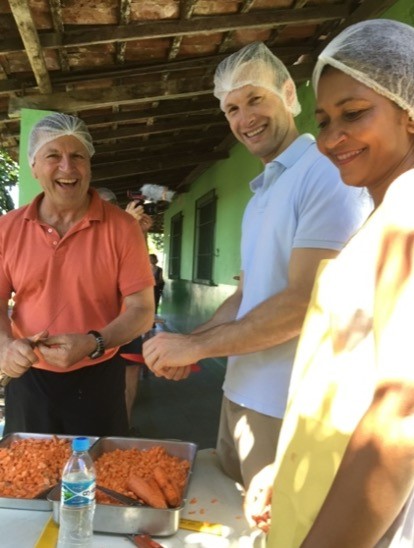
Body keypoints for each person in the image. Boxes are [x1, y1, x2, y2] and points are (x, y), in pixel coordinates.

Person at [143, 42, 370, 490]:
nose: (244, 119)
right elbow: (249, 296)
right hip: (240, 392)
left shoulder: (323, 172)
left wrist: (195, 349)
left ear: (288, 94)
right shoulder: (263, 192)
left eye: (254, 99)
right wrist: (191, 341)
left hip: (292, 404)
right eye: (231, 108)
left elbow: (307, 301)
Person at [245, 19, 414, 547]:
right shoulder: (382, 210)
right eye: (322, 119)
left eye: (355, 113)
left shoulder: (407, 213)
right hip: (328, 488)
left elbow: (400, 413)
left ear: (409, 112)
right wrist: (291, 465)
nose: (331, 138)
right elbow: (348, 369)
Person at [0, 113, 155, 437]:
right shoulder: (8, 229)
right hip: (30, 379)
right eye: (53, 156)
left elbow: (142, 309)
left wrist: (93, 341)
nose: (67, 168)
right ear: (33, 166)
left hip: (99, 376)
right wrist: (5, 346)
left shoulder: (122, 228)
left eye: (77, 157)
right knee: (29, 479)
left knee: (99, 478)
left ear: (90, 165)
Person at [96, 186, 153, 428]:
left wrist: (138, 233)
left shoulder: (124, 228)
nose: (108, 209)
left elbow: (140, 273)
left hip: (128, 318)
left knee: (130, 374)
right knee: (100, 379)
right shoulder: (90, 232)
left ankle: (125, 426)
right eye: (102, 205)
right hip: (99, 323)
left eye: (112, 204)